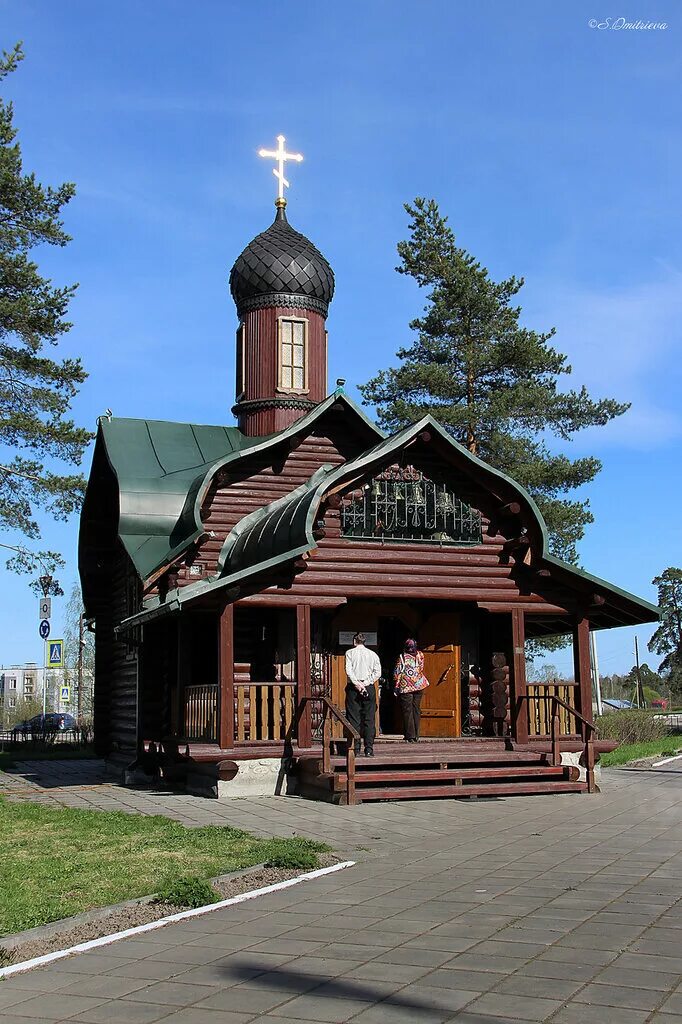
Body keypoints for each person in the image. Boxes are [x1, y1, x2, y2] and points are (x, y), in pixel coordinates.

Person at [344, 632, 381, 757]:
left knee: (354, 719)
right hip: (368, 687)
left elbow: (348, 671)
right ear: (365, 642)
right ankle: (369, 749)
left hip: (354, 688)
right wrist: (366, 683)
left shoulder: (349, 653)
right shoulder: (373, 654)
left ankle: (355, 748)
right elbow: (378, 673)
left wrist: (357, 684)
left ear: (354, 641)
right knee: (369, 719)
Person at [394, 638, 429, 743]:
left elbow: (397, 673)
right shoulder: (421, 655)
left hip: (406, 686)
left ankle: (410, 736)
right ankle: (417, 735)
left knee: (407, 711)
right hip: (419, 684)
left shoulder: (402, 657)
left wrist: (396, 686)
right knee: (416, 709)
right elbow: (421, 668)